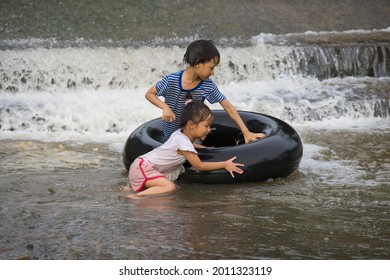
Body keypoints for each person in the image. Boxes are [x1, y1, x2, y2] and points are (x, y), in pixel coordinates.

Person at [145, 39, 265, 144]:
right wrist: (165, 107)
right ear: (198, 63)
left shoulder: (208, 85)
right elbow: (149, 94)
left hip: (193, 136)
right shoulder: (171, 80)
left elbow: (228, 107)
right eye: (211, 68)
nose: (213, 72)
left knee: (197, 153)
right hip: (170, 136)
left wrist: (246, 132)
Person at [127, 101, 244, 198]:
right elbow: (199, 166)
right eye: (206, 126)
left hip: (140, 165)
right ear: (191, 125)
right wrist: (224, 164)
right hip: (144, 169)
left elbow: (186, 146)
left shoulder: (179, 134)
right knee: (170, 187)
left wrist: (203, 148)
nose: (209, 130)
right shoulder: (184, 143)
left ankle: (129, 190)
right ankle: (135, 197)